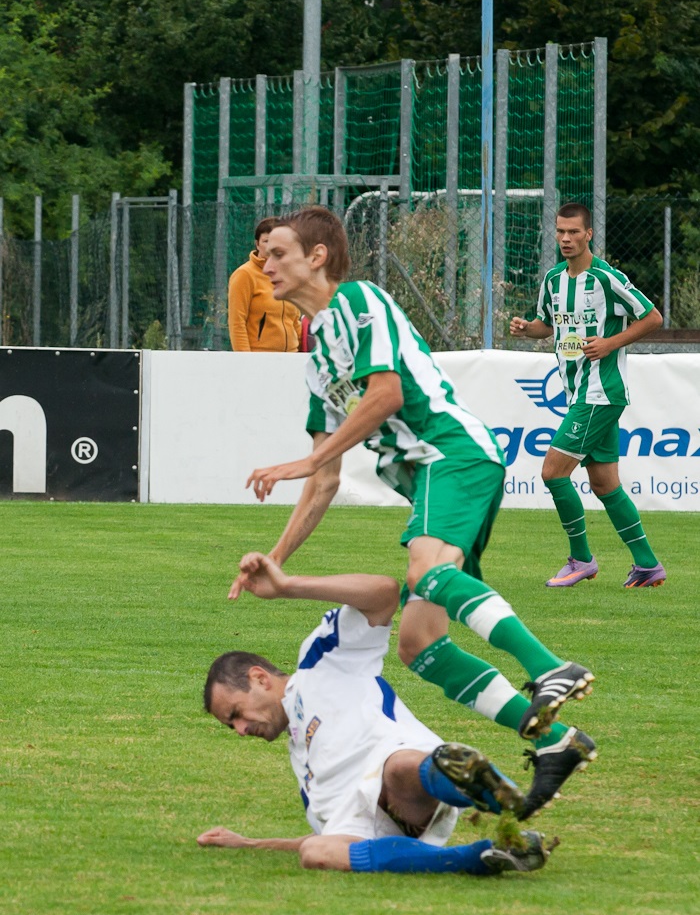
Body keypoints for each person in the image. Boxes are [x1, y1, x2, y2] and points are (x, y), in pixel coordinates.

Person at [228, 205, 597, 812]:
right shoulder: (318, 357)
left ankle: (551, 667)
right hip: (437, 476)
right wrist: (276, 562)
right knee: (419, 645)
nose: (265, 265)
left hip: (453, 455)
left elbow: (387, 393)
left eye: (278, 254)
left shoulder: (358, 301)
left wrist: (304, 460)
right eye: (265, 255)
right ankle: (557, 742)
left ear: (317, 257)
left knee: (424, 573)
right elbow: (324, 482)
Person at [199, 553, 557, 875]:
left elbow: (384, 594)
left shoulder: (320, 661)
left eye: (236, 714)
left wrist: (288, 586)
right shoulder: (303, 767)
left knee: (400, 766)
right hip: (377, 830)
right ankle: (483, 855)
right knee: (316, 851)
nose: (240, 729)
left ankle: (482, 788)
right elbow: (332, 836)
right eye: (231, 726)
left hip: (406, 779)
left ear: (259, 678)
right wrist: (250, 843)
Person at [509, 202, 666, 589]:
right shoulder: (553, 280)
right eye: (560, 231)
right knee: (605, 484)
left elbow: (653, 317)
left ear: (589, 234)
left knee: (552, 472)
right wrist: (527, 329)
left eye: (574, 232)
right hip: (580, 392)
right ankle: (648, 565)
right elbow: (547, 325)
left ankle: (581, 559)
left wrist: (611, 343)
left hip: (600, 392)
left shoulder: (606, 278)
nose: (565, 238)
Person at [227, 217, 302, 352]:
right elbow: (237, 323)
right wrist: (244, 359)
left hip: (292, 357)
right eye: (267, 241)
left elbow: (295, 320)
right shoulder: (244, 274)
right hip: (259, 357)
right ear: (257, 244)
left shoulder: (290, 275)